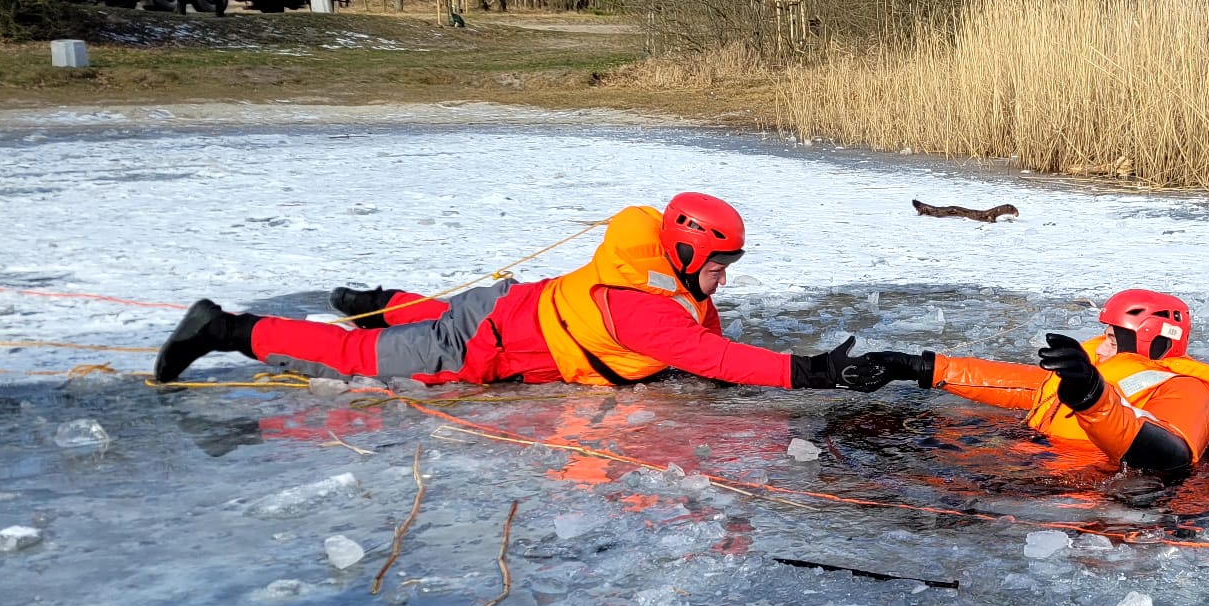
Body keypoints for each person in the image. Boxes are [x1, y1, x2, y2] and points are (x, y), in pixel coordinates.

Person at [152, 192, 890, 393]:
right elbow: (712, 358)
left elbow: (706, 338)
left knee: (442, 316)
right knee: (356, 359)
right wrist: (809, 371)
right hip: (485, 341)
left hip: (509, 307)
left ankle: (375, 296)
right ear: (688, 251)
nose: (725, 275)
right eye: (721, 263)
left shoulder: (659, 275)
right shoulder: (643, 308)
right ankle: (224, 330)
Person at [862, 290, 1209, 474]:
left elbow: (1173, 454)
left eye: (1115, 336)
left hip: (1100, 494)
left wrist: (1092, 398)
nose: (1104, 343)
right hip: (1039, 464)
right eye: (1107, 333)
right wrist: (921, 368)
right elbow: (1023, 384)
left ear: (1155, 339)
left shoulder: (1187, 389)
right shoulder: (1098, 370)